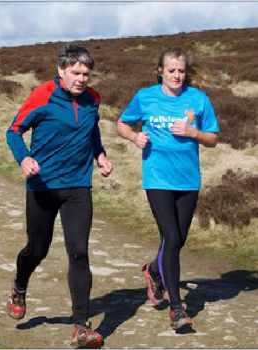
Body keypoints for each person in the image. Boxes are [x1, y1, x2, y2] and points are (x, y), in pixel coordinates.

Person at [5, 44, 112, 348]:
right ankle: (20, 284)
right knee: (36, 249)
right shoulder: (43, 95)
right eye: (76, 73)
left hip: (78, 186)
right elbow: (13, 131)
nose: (81, 79)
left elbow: (91, 132)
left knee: (79, 251)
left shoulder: (93, 99)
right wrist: (24, 158)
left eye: (86, 74)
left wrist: (100, 156)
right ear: (62, 71)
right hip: (43, 186)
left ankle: (81, 326)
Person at [117, 47, 220, 330]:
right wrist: (135, 136)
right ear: (160, 70)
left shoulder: (198, 99)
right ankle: (176, 308)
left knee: (177, 240)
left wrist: (193, 133)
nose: (177, 75)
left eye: (181, 71)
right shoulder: (145, 97)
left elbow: (213, 138)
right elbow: (122, 124)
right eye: (171, 70)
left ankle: (153, 270)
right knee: (172, 237)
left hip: (188, 180)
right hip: (157, 179)